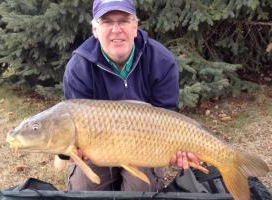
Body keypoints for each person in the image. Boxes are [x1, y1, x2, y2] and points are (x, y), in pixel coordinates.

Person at [62, 0, 201, 192]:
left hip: (146, 143)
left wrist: (175, 149)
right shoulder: (79, 67)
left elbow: (167, 119)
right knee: (83, 188)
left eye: (124, 21)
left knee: (139, 188)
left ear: (135, 27)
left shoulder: (161, 60)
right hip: (97, 149)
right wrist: (66, 152)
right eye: (107, 22)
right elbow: (70, 128)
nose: (116, 29)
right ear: (95, 30)